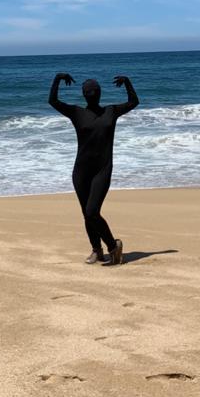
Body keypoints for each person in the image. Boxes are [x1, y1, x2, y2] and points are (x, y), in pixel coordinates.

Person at [49, 72, 139, 265]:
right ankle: (96, 250)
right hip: (81, 171)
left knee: (92, 211)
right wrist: (57, 78)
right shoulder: (76, 113)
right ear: (84, 94)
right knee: (86, 214)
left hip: (102, 169)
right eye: (89, 91)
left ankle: (113, 246)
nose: (92, 93)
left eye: (94, 91)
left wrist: (128, 83)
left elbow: (134, 102)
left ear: (99, 93)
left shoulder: (111, 112)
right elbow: (53, 101)